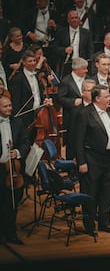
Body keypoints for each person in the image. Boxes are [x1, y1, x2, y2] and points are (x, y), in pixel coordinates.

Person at [75, 84, 110, 236]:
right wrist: (82, 162)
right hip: (92, 159)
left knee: (107, 194)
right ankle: (89, 225)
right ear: (97, 99)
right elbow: (78, 140)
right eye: (107, 97)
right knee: (91, 193)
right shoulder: (85, 113)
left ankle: (104, 223)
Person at [0, 95, 30, 245]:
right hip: (0, 169)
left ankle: (11, 233)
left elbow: (26, 142)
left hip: (14, 169)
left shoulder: (18, 122)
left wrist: (17, 152)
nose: (9, 109)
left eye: (10, 105)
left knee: (13, 203)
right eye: (5, 106)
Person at [9, 49, 54, 143]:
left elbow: (38, 93)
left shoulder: (37, 75)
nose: (33, 63)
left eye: (34, 60)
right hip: (26, 116)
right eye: (30, 61)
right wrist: (19, 121)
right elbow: (16, 101)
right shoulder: (18, 79)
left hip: (38, 113)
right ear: (24, 62)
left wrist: (44, 101)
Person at [57, 57, 89, 160]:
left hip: (86, 115)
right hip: (72, 118)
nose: (86, 71)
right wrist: (72, 102)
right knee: (72, 142)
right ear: (76, 69)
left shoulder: (88, 79)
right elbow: (60, 98)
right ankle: (71, 168)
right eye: (84, 68)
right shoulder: (66, 81)